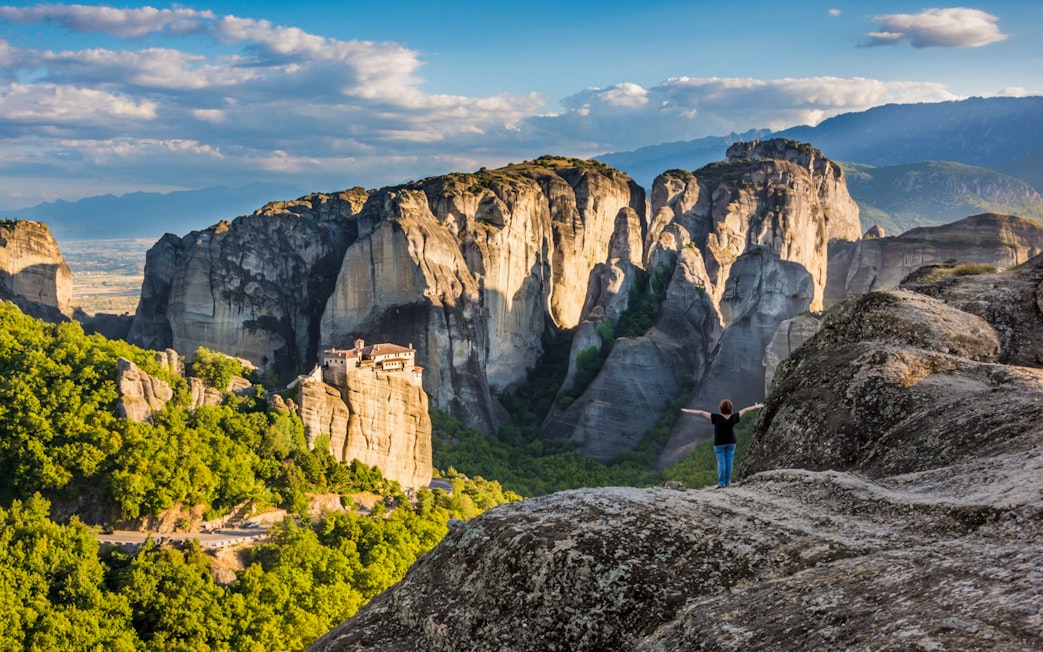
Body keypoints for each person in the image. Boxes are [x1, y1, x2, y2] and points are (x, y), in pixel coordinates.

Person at [682, 399, 764, 488]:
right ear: (731, 409)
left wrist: (688, 410)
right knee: (729, 462)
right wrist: (755, 407)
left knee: (721, 463)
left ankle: (721, 483)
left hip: (719, 444)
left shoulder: (716, 418)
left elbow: (701, 412)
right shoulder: (734, 417)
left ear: (720, 409)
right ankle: (727, 482)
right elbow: (745, 410)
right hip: (731, 443)